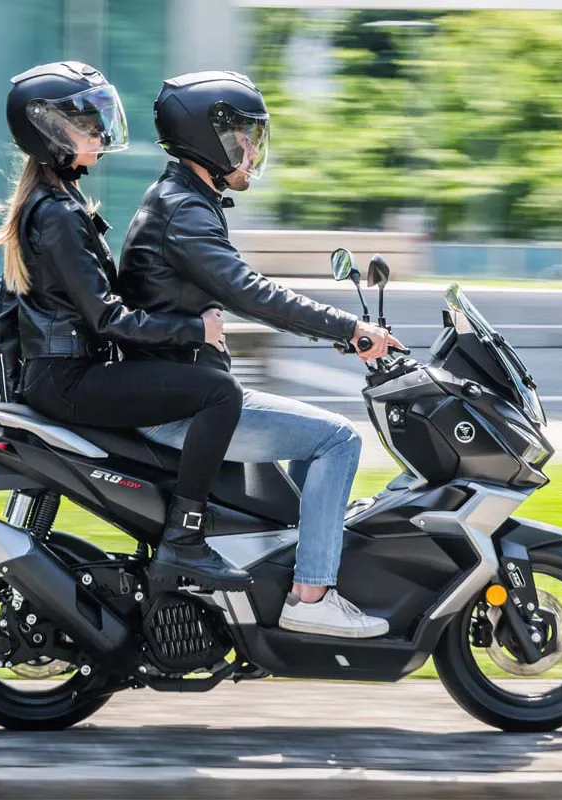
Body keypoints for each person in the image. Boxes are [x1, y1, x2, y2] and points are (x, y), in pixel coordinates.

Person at [117, 71, 405, 638]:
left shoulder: (181, 199)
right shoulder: (185, 211)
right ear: (210, 137)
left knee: (314, 436)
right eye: (243, 137)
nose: (251, 151)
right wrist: (350, 328)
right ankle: (311, 594)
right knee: (338, 439)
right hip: (183, 406)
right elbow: (250, 292)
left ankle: (298, 560)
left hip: (182, 392)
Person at [0, 61, 250, 591]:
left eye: (98, 118)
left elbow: (9, 316)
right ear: (47, 130)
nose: (99, 131)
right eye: (84, 122)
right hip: (72, 380)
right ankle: (185, 541)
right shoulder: (59, 215)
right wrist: (194, 330)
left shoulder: (50, 203)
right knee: (219, 394)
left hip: (57, 378)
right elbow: (107, 317)